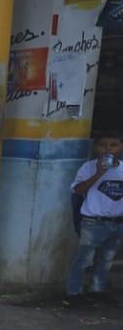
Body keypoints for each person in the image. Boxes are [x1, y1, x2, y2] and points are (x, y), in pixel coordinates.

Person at [64, 131, 123, 307]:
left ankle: (97, 290)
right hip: (93, 222)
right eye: (103, 145)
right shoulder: (88, 168)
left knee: (106, 259)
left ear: (120, 147)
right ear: (96, 147)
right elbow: (78, 190)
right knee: (83, 259)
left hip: (117, 222)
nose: (108, 149)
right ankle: (72, 294)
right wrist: (98, 174)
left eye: (113, 145)